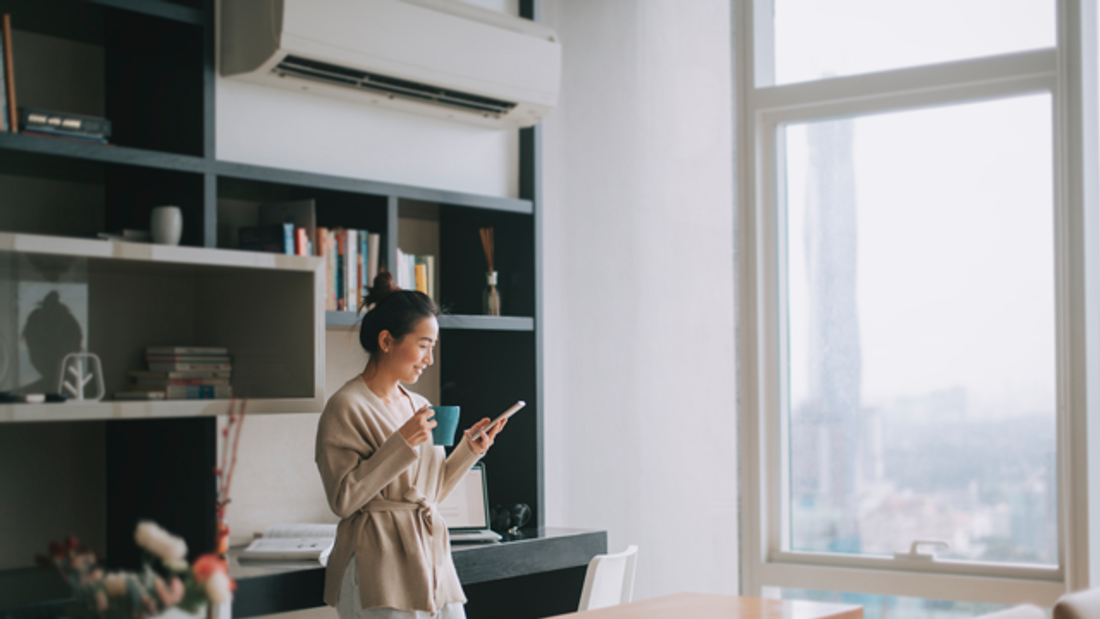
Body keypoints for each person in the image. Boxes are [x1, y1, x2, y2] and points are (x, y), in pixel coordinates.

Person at [315, 272, 507, 619]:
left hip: (431, 558)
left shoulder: (418, 404)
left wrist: (470, 450)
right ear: (387, 340)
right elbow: (343, 500)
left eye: (432, 347)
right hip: (379, 563)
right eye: (423, 345)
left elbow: (429, 492)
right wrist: (401, 443)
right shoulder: (346, 407)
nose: (429, 359)